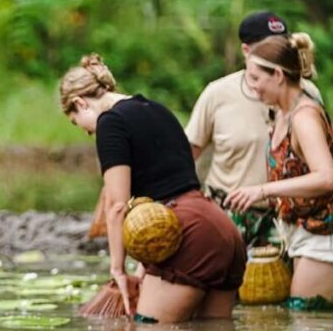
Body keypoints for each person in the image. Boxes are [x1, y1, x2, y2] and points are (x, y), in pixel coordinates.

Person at [60, 54, 246, 323]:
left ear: (80, 103)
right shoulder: (156, 108)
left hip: (187, 233)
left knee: (146, 326)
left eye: (79, 124)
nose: (89, 133)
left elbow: (117, 205)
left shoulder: (110, 122)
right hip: (222, 230)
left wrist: (118, 270)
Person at [224, 33, 333, 310]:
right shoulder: (280, 113)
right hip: (305, 231)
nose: (251, 88)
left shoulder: (304, 117)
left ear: (277, 75)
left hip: (328, 234)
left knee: (305, 317)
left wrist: (262, 190)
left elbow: (325, 178)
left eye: (254, 78)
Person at [186, 11, 322, 247]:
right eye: (268, 48)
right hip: (228, 216)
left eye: (282, 46)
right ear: (246, 52)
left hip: (287, 217)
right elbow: (187, 156)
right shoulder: (217, 93)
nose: (277, 55)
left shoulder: (305, 94)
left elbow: (323, 167)